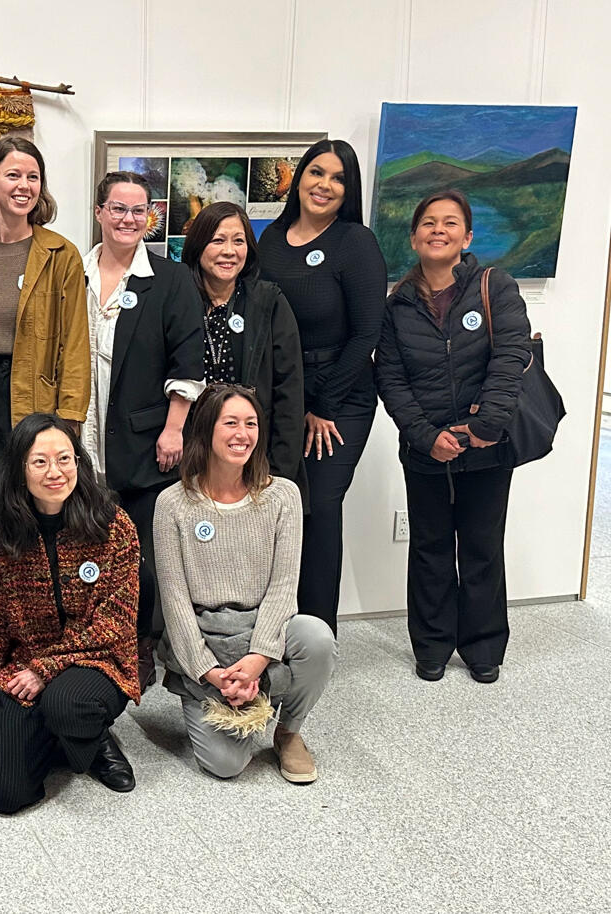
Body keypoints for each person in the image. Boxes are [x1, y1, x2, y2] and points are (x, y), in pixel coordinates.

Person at [375, 190, 530, 684]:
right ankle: (432, 646)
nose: (437, 230)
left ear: (467, 236)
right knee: (430, 547)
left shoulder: (494, 286)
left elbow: (511, 358)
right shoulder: (396, 304)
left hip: (488, 448)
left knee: (483, 546)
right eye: (427, 223)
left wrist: (485, 428)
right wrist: (426, 436)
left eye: (449, 223)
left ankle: (484, 647)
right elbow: (390, 379)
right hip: (425, 451)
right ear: (414, 236)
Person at [153, 384, 336, 783]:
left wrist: (256, 661)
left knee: (317, 637)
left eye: (251, 423)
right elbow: (175, 603)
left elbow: (283, 589)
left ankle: (288, 732)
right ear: (204, 431)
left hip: (263, 633)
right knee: (226, 764)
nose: (243, 434)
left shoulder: (283, 496)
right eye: (231, 423)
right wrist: (211, 672)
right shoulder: (172, 503)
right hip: (205, 639)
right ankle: (228, 697)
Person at [0, 414, 141, 814]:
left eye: (65, 459)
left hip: (99, 662)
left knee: (67, 704)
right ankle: (59, 738)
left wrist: (46, 668)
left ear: (79, 462)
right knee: (5, 794)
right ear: (19, 470)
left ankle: (90, 736)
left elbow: (114, 623)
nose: (55, 472)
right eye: (40, 461)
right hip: (24, 670)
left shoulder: (113, 526)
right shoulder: (5, 537)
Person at [258, 139, 386, 636]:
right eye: (316, 172)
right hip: (284, 391)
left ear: (347, 189)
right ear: (300, 176)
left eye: (337, 178)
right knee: (280, 505)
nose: (324, 185)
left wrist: (323, 405)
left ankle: (316, 636)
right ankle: (273, 628)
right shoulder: (270, 239)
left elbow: (366, 333)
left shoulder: (355, 242)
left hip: (341, 397)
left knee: (320, 508)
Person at [0, 136, 90, 584]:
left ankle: (32, 609)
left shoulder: (60, 254)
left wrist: (68, 419)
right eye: (13, 175)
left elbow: (75, 342)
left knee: (30, 505)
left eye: (33, 176)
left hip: (36, 397)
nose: (24, 185)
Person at [82, 171, 204, 688]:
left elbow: (188, 362)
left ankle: (138, 644)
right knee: (84, 548)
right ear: (100, 213)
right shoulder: (74, 270)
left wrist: (174, 429)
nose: (129, 219)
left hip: (144, 438)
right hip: (82, 430)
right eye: (118, 208)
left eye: (139, 211)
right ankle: (89, 643)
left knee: (142, 556)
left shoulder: (171, 279)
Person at [182, 201, 306, 502]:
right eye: (217, 240)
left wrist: (279, 471)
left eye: (238, 241)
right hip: (189, 454)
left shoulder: (268, 302)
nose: (229, 251)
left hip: (252, 454)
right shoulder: (178, 299)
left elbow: (289, 389)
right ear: (198, 246)